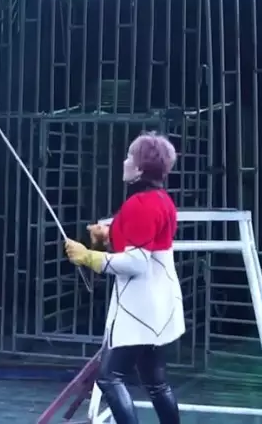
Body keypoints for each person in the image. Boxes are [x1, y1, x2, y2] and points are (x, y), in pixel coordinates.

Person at [63, 132, 184, 424]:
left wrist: (88, 257)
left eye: (130, 156)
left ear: (140, 168)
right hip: (160, 301)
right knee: (156, 382)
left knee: (109, 377)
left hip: (140, 306)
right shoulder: (162, 200)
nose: (124, 161)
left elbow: (136, 262)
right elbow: (145, 243)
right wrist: (109, 235)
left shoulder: (140, 204)